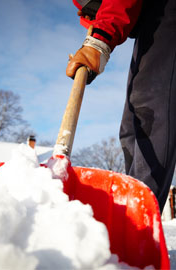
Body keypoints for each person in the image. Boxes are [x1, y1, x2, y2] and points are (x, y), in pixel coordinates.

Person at [66, 0, 176, 213]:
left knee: (150, 109)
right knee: (131, 127)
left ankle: (139, 216)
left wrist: (100, 40)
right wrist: (96, 18)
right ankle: (133, 207)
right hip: (149, 18)